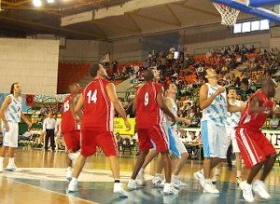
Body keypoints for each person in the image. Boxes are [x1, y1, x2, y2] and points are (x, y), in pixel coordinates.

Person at [67, 64, 131, 198]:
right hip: (103, 126)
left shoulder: (87, 87)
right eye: (103, 68)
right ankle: (118, 185)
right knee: (112, 154)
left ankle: (72, 183)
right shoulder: (108, 84)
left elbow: (77, 108)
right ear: (99, 71)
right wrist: (125, 118)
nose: (105, 70)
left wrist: (86, 119)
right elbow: (114, 101)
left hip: (87, 126)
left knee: (83, 154)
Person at [127, 69, 178, 195]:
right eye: (156, 72)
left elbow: (133, 109)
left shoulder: (139, 89)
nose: (158, 73)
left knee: (143, 152)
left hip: (140, 123)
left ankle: (131, 181)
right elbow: (161, 104)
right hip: (154, 122)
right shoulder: (157, 86)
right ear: (153, 76)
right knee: (165, 153)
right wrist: (172, 115)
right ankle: (168, 185)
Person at [194, 68, 241, 194]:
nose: (212, 69)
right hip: (209, 122)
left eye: (213, 69)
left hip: (222, 124)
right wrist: (215, 94)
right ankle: (207, 182)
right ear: (206, 75)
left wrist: (244, 107)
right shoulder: (206, 86)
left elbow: (229, 108)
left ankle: (201, 173)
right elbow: (202, 105)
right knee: (209, 155)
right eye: (209, 70)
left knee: (221, 156)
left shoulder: (223, 89)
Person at [136, 83, 190, 189]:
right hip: (165, 129)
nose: (174, 86)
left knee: (162, 152)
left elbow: (170, 119)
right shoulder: (168, 100)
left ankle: (160, 177)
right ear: (167, 91)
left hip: (169, 129)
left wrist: (179, 128)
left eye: (175, 85)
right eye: (171, 86)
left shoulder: (172, 101)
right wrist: (183, 119)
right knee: (175, 154)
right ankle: (168, 179)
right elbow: (169, 117)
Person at [236, 79, 279, 203]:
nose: (275, 90)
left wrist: (275, 112)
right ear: (267, 86)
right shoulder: (257, 96)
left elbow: (271, 114)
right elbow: (251, 110)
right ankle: (247, 185)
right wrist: (268, 111)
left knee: (272, 155)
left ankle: (259, 183)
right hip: (244, 130)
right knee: (259, 160)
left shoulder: (270, 102)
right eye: (274, 87)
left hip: (256, 131)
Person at [211, 87, 245, 185]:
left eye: (233, 91)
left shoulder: (241, 103)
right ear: (227, 95)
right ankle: (215, 175)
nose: (232, 93)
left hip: (236, 129)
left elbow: (245, 114)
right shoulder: (222, 104)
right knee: (220, 153)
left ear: (236, 94)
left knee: (238, 153)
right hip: (225, 129)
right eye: (230, 92)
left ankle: (239, 177)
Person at [0, 82, 32, 172]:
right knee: (6, 144)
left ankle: (11, 164)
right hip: (8, 122)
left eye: (20, 87)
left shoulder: (20, 99)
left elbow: (20, 112)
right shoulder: (9, 98)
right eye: (17, 87)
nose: (19, 88)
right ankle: (0, 163)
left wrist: (26, 121)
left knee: (13, 144)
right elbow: (1, 111)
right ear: (13, 89)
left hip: (15, 123)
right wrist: (5, 123)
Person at [61, 83, 82, 180]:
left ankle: (69, 170)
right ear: (71, 88)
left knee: (73, 149)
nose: (79, 87)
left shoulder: (66, 98)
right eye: (76, 86)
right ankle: (70, 168)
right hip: (70, 125)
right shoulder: (73, 97)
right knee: (71, 150)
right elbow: (72, 104)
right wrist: (75, 116)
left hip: (70, 125)